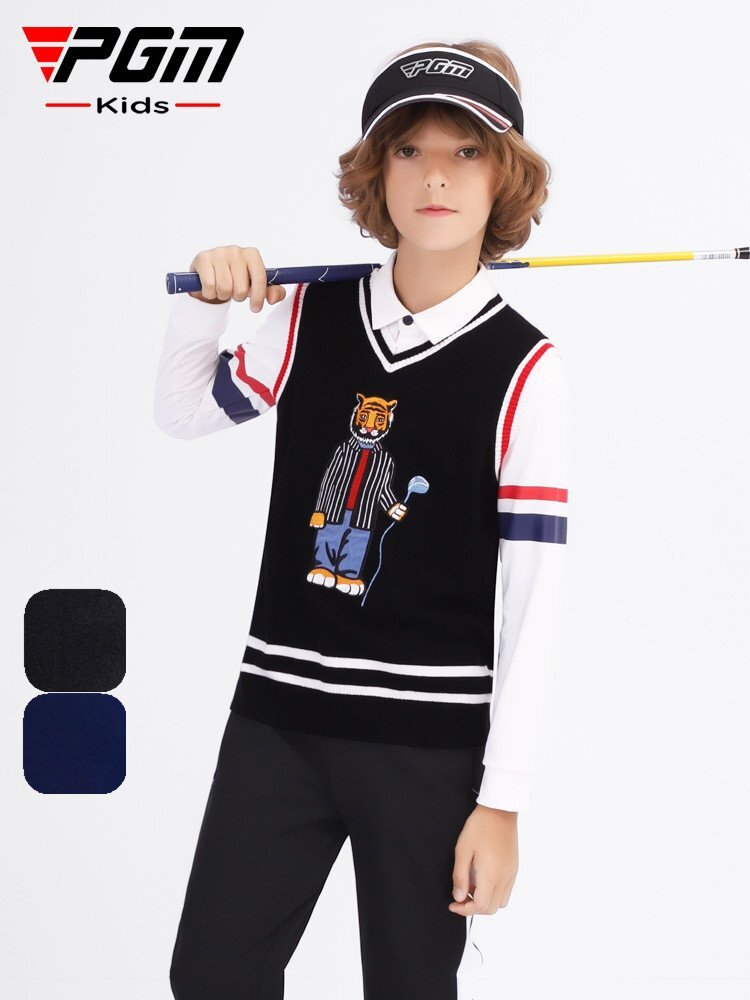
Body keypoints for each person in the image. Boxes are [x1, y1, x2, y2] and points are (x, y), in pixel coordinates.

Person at [155, 37, 569, 1000]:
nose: (436, 176)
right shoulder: (308, 314)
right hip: (278, 721)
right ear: (376, 171)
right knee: (211, 974)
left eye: (467, 151)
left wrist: (502, 800)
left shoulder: (527, 368)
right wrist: (205, 303)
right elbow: (182, 414)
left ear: (504, 175)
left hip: (429, 748)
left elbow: (534, 597)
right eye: (409, 149)